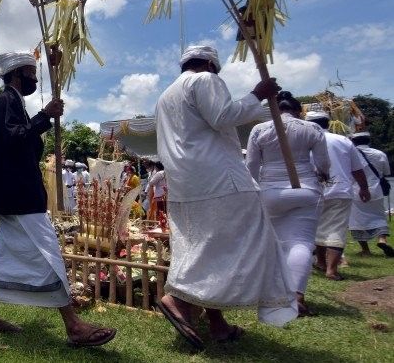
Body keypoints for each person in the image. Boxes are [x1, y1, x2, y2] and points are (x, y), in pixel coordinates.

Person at [155, 45, 297, 350]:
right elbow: (224, 115)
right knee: (239, 244)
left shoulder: (165, 95)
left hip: (186, 184)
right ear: (210, 64)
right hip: (219, 179)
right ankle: (179, 300)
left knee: (203, 248)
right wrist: (257, 94)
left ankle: (217, 324)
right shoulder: (205, 79)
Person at [0, 51, 116, 347]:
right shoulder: (4, 100)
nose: (34, 78)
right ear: (16, 74)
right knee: (48, 251)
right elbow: (14, 139)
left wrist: (43, 117)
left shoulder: (13, 102)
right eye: (31, 73)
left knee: (5, 253)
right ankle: (74, 326)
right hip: (20, 194)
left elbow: (23, 142)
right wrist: (45, 116)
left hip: (15, 194)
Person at [246, 95, 331, 316]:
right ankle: (296, 297)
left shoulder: (259, 130)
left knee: (276, 243)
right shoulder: (312, 129)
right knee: (301, 243)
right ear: (298, 111)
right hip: (306, 190)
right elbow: (323, 164)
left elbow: (251, 166)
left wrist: (255, 192)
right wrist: (323, 175)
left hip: (270, 192)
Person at [306, 112, 371, 280]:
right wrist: (364, 188)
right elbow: (357, 169)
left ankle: (321, 262)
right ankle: (332, 270)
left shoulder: (304, 141)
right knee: (336, 230)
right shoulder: (342, 140)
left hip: (312, 191)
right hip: (340, 191)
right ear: (328, 123)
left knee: (317, 228)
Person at [348, 131, 393, 257]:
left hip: (356, 190)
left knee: (357, 221)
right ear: (368, 140)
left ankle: (365, 250)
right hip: (376, 190)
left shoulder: (350, 154)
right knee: (379, 216)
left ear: (353, 142)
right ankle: (382, 240)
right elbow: (386, 172)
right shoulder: (380, 154)